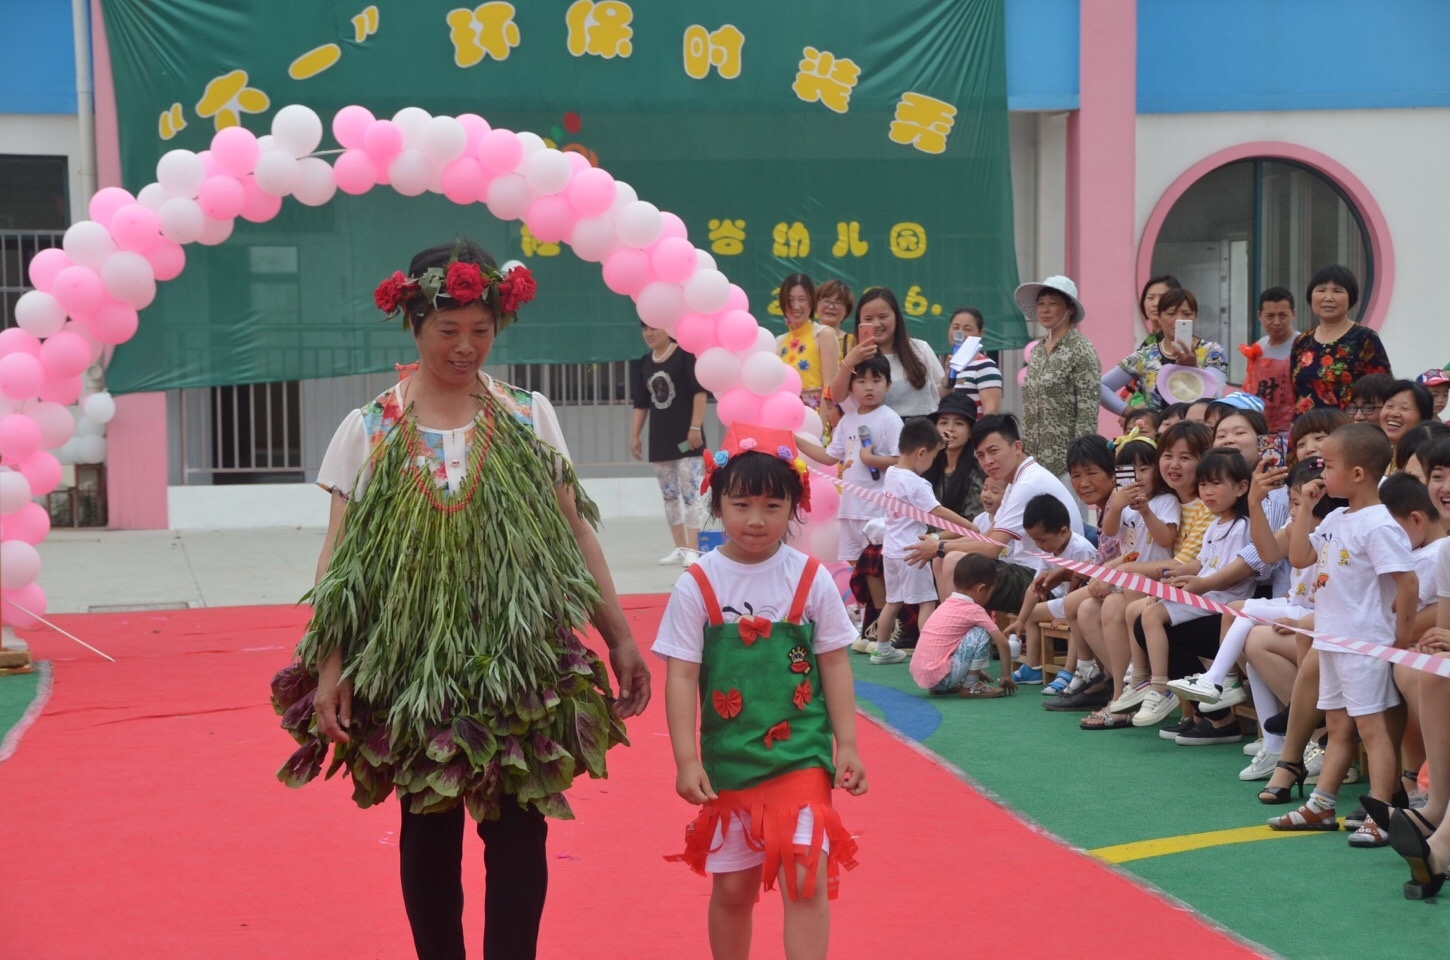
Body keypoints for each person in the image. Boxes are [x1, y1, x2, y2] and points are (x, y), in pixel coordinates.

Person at [271, 238, 651, 960]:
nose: (465, 347)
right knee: (428, 828)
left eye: (480, 331)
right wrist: (330, 664)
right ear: (413, 324)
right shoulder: (371, 429)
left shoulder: (525, 416)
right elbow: (339, 561)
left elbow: (576, 537)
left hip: (519, 656)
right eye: (448, 331)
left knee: (519, 831)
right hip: (412, 664)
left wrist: (620, 637)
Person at [653, 424, 865, 959]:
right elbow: (681, 676)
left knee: (804, 878)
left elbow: (835, 664)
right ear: (716, 500)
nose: (755, 519)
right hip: (730, 759)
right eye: (741, 503)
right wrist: (686, 759)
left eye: (773, 505)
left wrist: (849, 745)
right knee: (732, 888)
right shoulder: (697, 583)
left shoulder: (811, 578)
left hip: (802, 754)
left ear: (795, 505)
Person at [1269, 423, 1418, 847]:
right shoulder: (1335, 516)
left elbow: (1407, 584)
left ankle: (1380, 813)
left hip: (1365, 643)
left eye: (1327, 465)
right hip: (1332, 640)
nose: (1320, 474)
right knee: (1337, 728)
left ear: (1357, 474)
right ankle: (1321, 804)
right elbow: (1299, 557)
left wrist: (1401, 642)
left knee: (1373, 732)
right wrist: (1304, 510)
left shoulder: (1379, 524)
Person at [1131, 449, 1259, 732]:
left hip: (1223, 606)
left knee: (1151, 618)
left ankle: (1160, 688)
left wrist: (1192, 584)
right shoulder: (1215, 524)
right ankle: (1209, 714)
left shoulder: (1243, 526)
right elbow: (1202, 563)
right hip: (1207, 599)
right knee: (1147, 617)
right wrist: (1174, 575)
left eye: (1216, 483)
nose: (1208, 491)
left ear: (1241, 487)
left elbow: (1227, 575)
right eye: (1203, 484)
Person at [909, 413, 1083, 621]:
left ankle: (957, 637)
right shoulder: (1017, 481)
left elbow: (992, 548)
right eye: (981, 455)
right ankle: (955, 637)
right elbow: (988, 535)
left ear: (1016, 447)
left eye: (993, 451)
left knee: (953, 560)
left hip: (1049, 583)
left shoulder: (1028, 483)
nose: (988, 461)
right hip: (1030, 572)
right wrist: (938, 543)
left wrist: (939, 546)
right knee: (943, 559)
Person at [797, 355, 902, 645]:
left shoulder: (890, 419)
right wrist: (795, 441)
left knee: (876, 567)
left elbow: (900, 460)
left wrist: (872, 459)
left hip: (877, 507)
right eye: (862, 380)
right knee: (860, 567)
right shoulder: (848, 421)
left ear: (888, 384)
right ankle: (872, 619)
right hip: (852, 507)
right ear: (852, 386)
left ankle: (886, 627)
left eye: (876, 380)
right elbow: (830, 456)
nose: (869, 387)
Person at [1385, 438, 1450, 898]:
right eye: (1438, 475)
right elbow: (1445, 632)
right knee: (1435, 671)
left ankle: (1441, 848)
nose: (1444, 486)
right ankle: (1436, 807)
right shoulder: (1448, 552)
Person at [869, 418, 977, 665]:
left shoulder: (893, 473)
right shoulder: (917, 483)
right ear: (921, 453)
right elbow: (937, 511)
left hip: (891, 551)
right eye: (933, 456)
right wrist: (968, 525)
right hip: (913, 551)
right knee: (927, 601)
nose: (932, 463)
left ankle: (881, 649)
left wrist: (939, 441)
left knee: (892, 601)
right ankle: (928, 652)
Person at [632, 322, 708, 566]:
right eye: (644, 329)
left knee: (690, 493)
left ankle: (694, 549)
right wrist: (635, 435)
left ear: (668, 329)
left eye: (653, 328)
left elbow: (699, 392)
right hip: (660, 439)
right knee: (669, 495)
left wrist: (695, 427)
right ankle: (680, 546)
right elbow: (641, 403)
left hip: (688, 439)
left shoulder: (685, 355)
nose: (648, 334)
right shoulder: (645, 362)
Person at [1003, 494, 1097, 680]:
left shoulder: (1081, 549)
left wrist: (1066, 618)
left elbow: (1084, 586)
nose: (1038, 545)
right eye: (1034, 540)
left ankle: (1069, 672)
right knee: (1031, 612)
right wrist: (1020, 621)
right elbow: (1036, 587)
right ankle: (1032, 667)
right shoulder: (1048, 549)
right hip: (1065, 601)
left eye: (1042, 540)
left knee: (1075, 619)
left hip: (1083, 602)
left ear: (1063, 532)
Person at [1017, 275, 1102, 479]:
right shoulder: (1037, 350)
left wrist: (1080, 459)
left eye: (1053, 304)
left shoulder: (1081, 348)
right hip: (1033, 460)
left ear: (1070, 308)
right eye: (1040, 304)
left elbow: (1088, 410)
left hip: (1067, 463)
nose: (1045, 310)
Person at [1103, 279, 1229, 415]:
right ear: (1160, 317)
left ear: (1195, 317)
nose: (1179, 319)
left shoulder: (1213, 351)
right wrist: (1130, 413)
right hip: (1157, 433)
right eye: (1171, 313)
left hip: (1197, 433)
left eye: (1187, 314)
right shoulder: (1146, 355)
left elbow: (1215, 396)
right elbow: (1101, 386)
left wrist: (1194, 369)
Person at [909, 554, 1018, 698]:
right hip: (942, 678)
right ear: (981, 589)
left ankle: (951, 685)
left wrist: (970, 669)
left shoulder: (946, 605)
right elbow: (1003, 643)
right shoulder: (974, 610)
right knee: (981, 631)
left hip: (927, 678)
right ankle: (971, 685)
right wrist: (1006, 676)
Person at [1291, 264, 1391, 416]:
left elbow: (1384, 391)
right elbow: (1294, 393)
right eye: (1321, 290)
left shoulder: (1364, 338)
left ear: (1351, 297)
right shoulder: (1301, 342)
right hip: (1305, 433)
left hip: (1348, 433)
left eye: (1337, 291)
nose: (1328, 297)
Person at [830, 287, 945, 418]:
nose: (876, 324)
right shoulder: (855, 356)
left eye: (883, 316)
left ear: (896, 317)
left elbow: (941, 394)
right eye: (868, 319)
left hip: (921, 431)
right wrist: (849, 362)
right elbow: (836, 397)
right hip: (875, 433)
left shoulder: (920, 349)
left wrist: (949, 381)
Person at [1100, 274, 1182, 413]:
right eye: (1150, 298)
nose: (1155, 303)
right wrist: (1127, 411)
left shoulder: (1186, 345)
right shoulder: (1149, 345)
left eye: (1162, 297)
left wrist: (1137, 411)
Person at [775, 273, 839, 413]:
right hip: (784, 418)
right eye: (790, 300)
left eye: (802, 299)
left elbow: (829, 387)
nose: (796, 306)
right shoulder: (779, 342)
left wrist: (821, 427)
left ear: (811, 302)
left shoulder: (823, 335)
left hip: (815, 418)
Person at [1239, 287, 1299, 434]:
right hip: (1260, 426)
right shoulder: (1259, 346)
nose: (1276, 322)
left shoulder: (1302, 345)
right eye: (1270, 316)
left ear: (1293, 314)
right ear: (1260, 316)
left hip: (1292, 428)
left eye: (1283, 315)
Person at [923, 392, 986, 524]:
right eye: (943, 422)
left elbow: (974, 523)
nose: (950, 429)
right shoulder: (924, 465)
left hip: (960, 541)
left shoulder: (978, 471)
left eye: (959, 423)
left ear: (970, 432)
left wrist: (934, 538)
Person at [943, 307, 1003, 417]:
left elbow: (990, 414)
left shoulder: (985, 366)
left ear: (980, 333)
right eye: (955, 327)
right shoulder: (949, 367)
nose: (959, 334)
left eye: (967, 329)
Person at [1379, 379, 1434, 464]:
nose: (1393, 413)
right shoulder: (1378, 457)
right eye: (1389, 406)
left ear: (1423, 417)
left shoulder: (1426, 460)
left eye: (1404, 408)